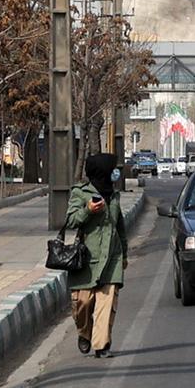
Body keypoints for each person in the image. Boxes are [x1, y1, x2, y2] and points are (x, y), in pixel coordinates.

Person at [66, 152, 128, 359]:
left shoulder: (115, 195)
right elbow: (71, 221)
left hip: (112, 256)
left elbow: (120, 227)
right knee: (82, 303)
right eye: (111, 170)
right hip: (87, 258)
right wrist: (88, 210)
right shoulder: (80, 192)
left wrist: (125, 254)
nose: (115, 174)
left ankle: (102, 344)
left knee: (107, 303)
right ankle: (84, 332)